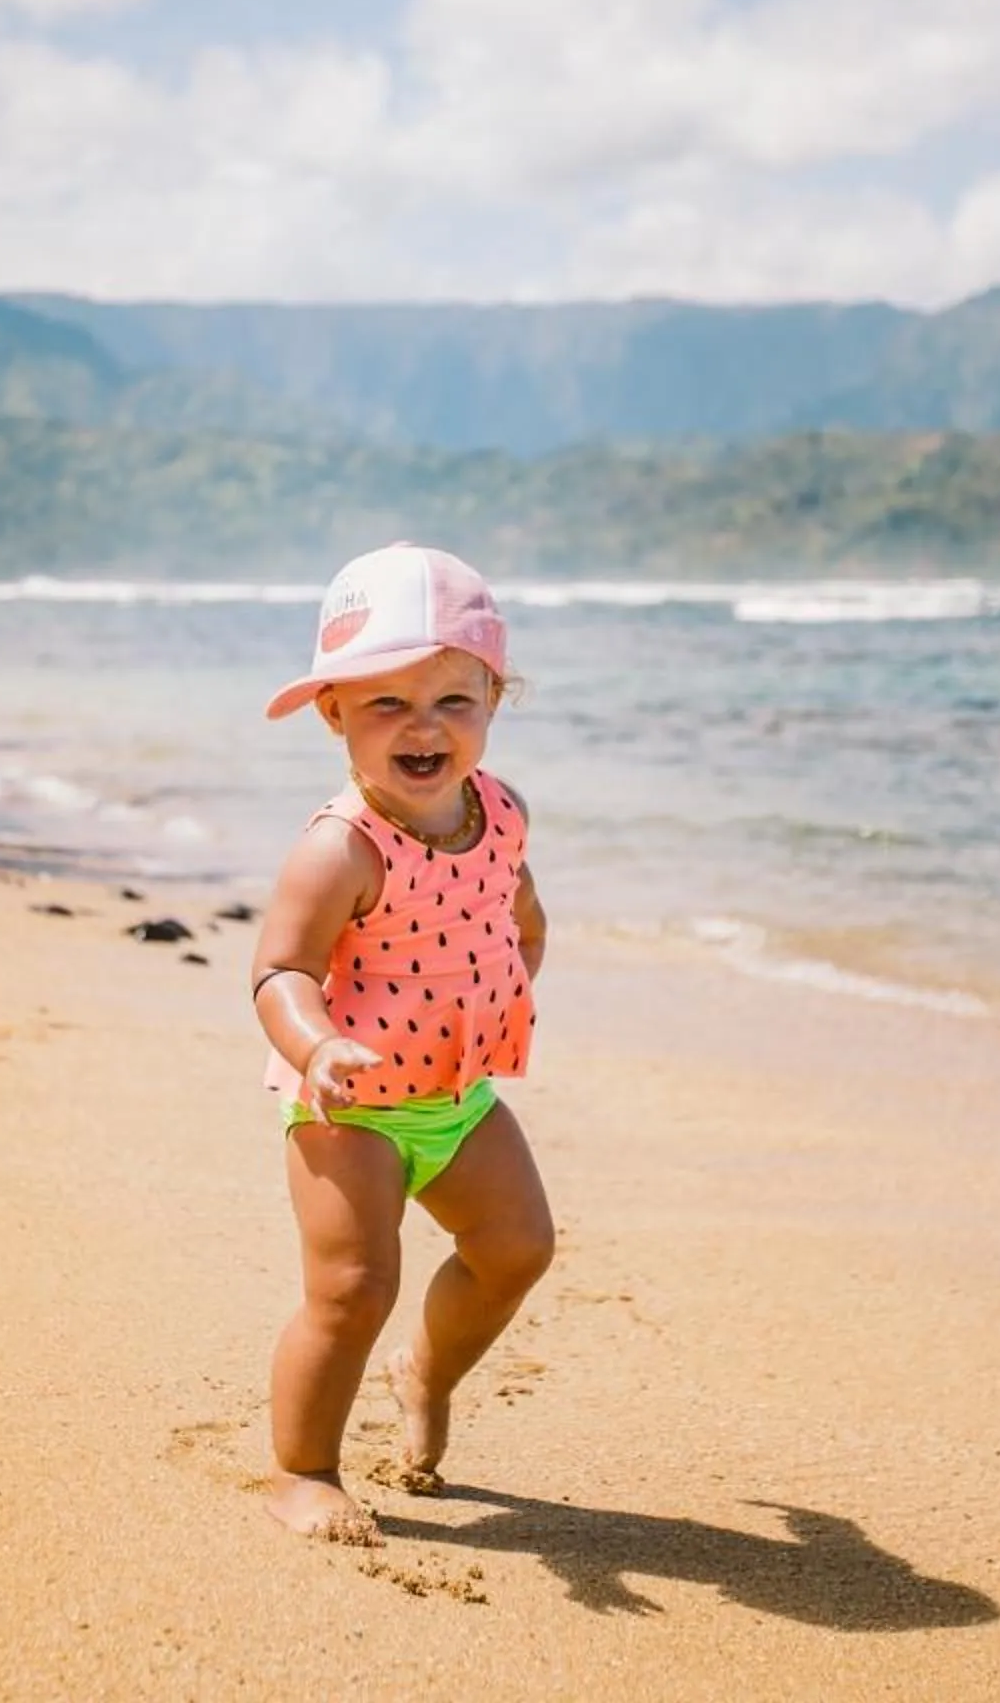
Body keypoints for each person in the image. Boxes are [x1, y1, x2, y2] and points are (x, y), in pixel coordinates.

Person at [247, 543, 554, 1544]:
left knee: (517, 1249)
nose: (424, 726)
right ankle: (303, 1469)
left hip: (459, 1096)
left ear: (494, 698)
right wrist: (315, 1046)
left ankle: (425, 1369)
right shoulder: (339, 847)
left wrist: (510, 983)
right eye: (386, 703)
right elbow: (279, 971)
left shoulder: (500, 812)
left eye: (453, 700)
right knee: (351, 1289)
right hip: (350, 1109)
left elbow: (517, 914)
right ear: (333, 712)